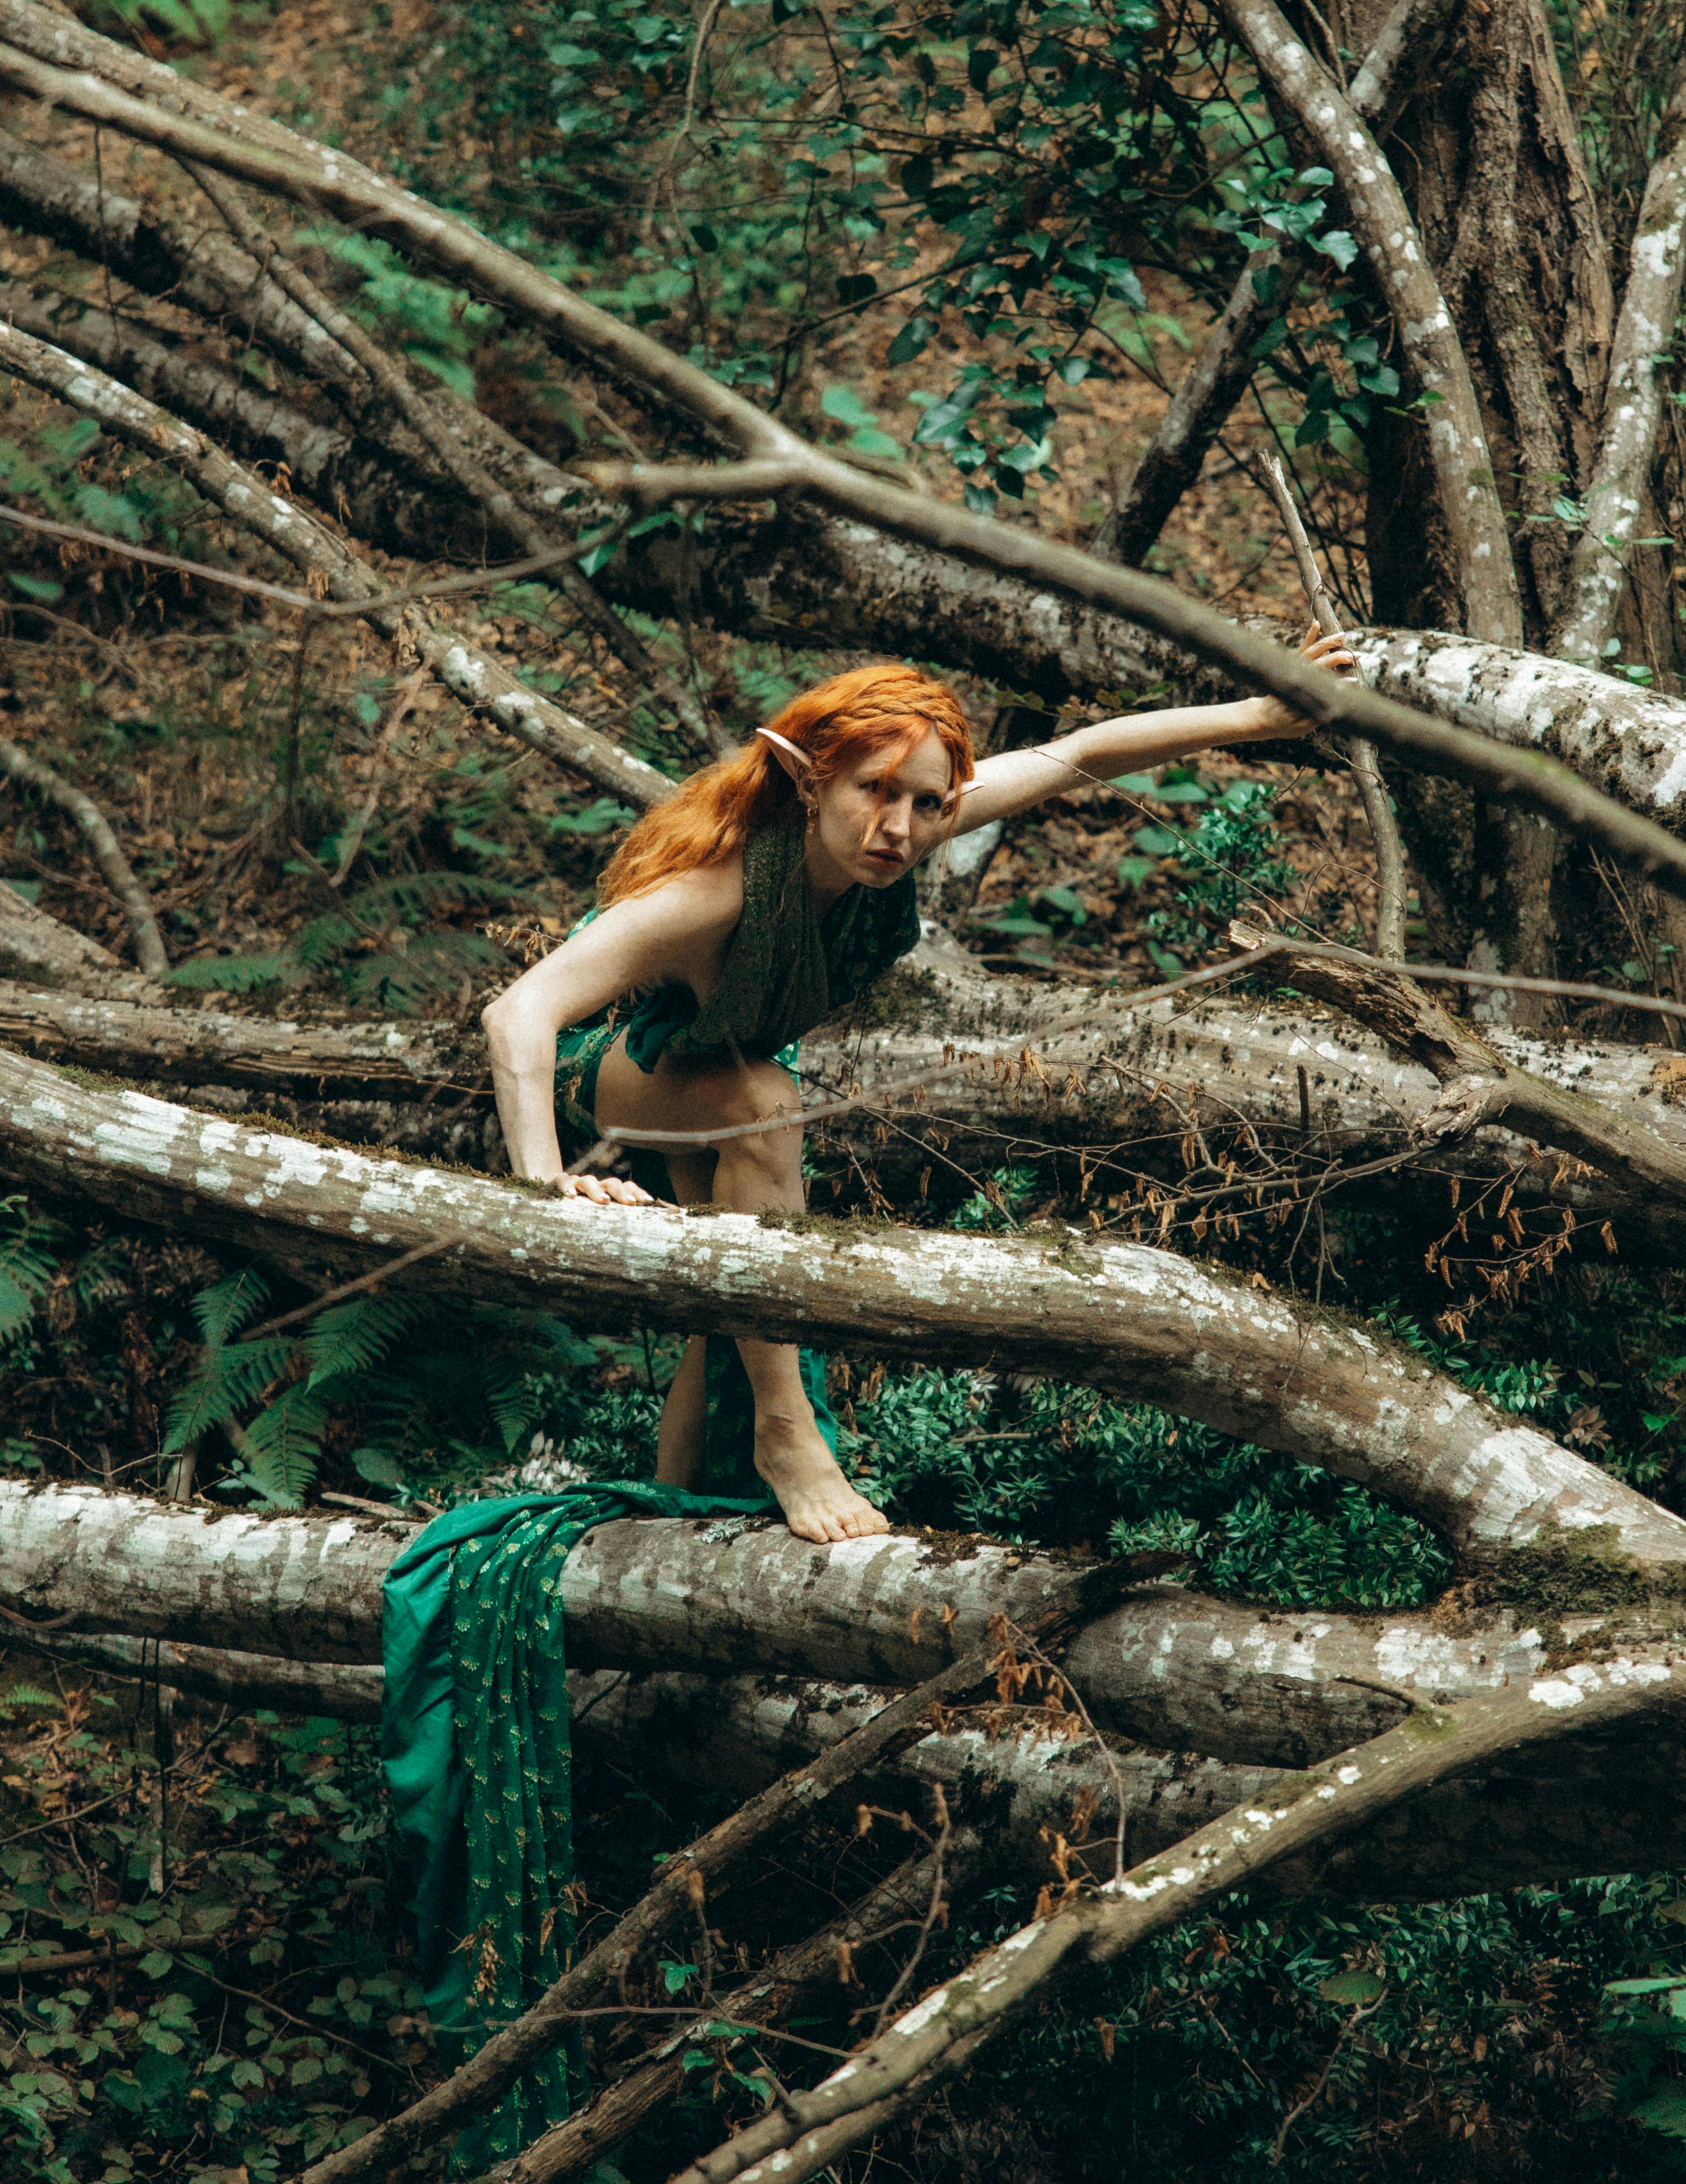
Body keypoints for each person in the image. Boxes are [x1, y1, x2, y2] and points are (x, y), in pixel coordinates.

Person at [483, 637, 1356, 1545]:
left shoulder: (922, 819)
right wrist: (543, 1184)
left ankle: (665, 1527)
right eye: (873, 792)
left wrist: (1257, 718)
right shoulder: (714, 892)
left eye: (926, 804)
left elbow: (1083, 753)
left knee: (726, 1299)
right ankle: (790, 1440)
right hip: (613, 1059)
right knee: (767, 1107)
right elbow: (519, 1015)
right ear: (808, 781)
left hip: (717, 1061)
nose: (898, 828)